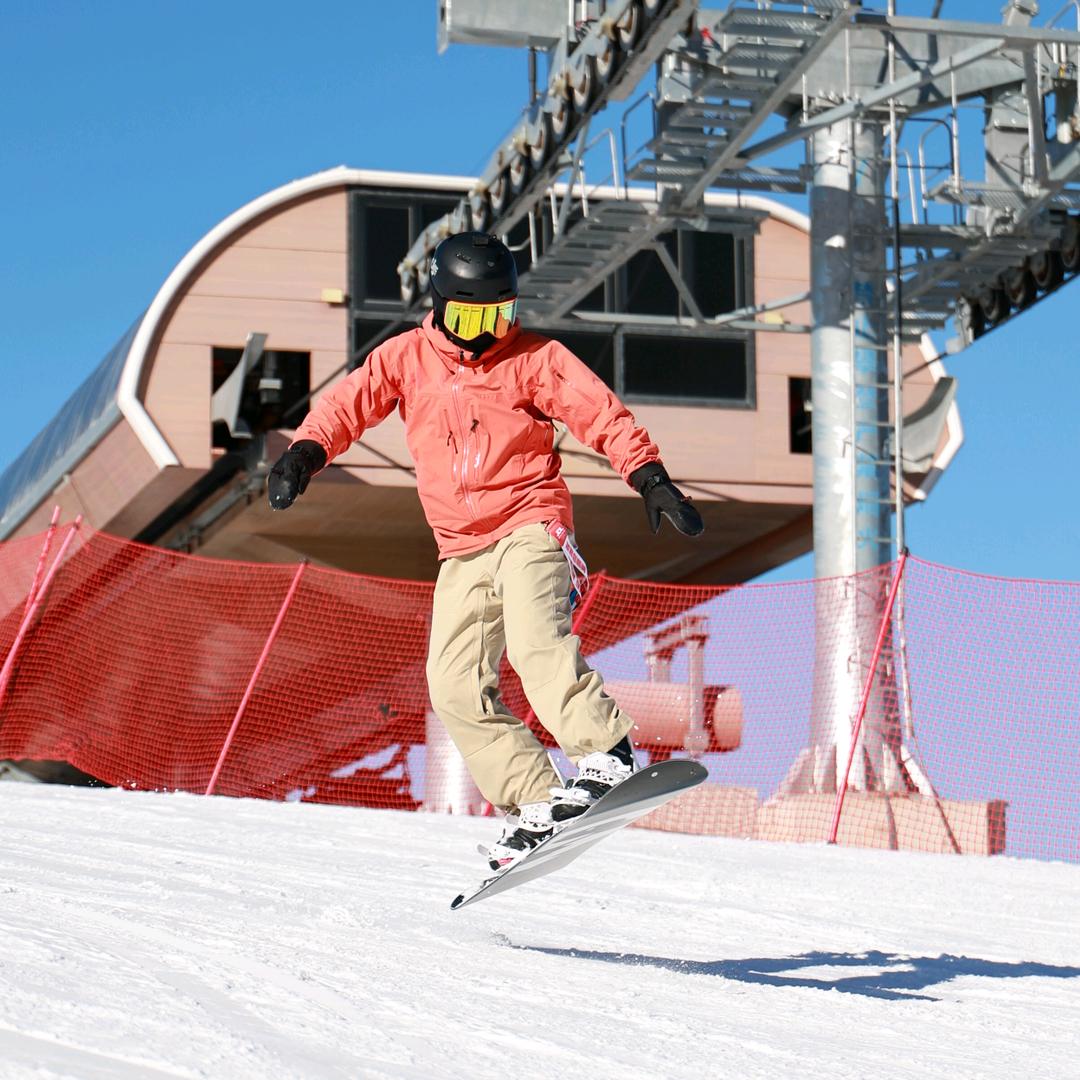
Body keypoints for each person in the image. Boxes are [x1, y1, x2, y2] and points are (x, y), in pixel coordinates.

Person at [268, 231, 704, 869]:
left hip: (530, 524)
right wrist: (306, 451)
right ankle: (536, 798)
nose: (486, 331)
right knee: (451, 686)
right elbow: (347, 403)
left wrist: (650, 477)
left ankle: (605, 752)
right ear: (442, 304)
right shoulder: (406, 360)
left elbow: (600, 415)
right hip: (460, 548)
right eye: (472, 316)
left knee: (535, 643)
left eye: (499, 314)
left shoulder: (533, 358)